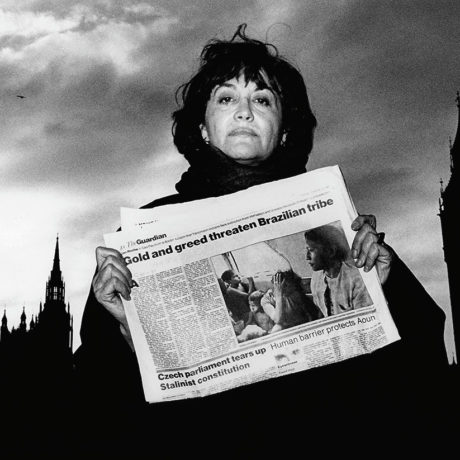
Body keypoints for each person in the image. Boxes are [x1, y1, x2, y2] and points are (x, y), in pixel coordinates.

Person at [73, 25, 450, 455]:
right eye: (227, 97)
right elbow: (96, 407)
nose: (245, 112)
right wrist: (125, 331)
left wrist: (386, 292)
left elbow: (422, 389)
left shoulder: (340, 226)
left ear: (285, 129)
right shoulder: (143, 236)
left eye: (262, 99)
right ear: (201, 127)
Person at [305, 224, 373, 316]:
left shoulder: (356, 279)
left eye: (311, 250)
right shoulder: (316, 279)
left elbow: (365, 318)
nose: (307, 257)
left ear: (330, 251)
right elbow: (320, 312)